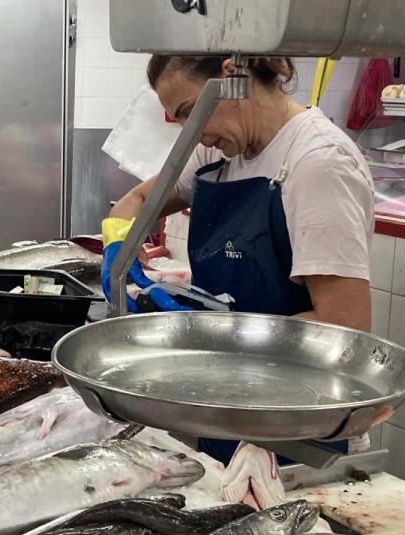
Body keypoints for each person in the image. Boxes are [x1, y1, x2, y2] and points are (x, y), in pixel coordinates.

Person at [100, 56, 374, 464]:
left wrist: (206, 334)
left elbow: (346, 329)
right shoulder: (217, 155)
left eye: (190, 112)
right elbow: (135, 200)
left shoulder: (317, 162)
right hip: (226, 408)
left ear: (231, 77)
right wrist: (116, 251)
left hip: (295, 432)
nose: (193, 136)